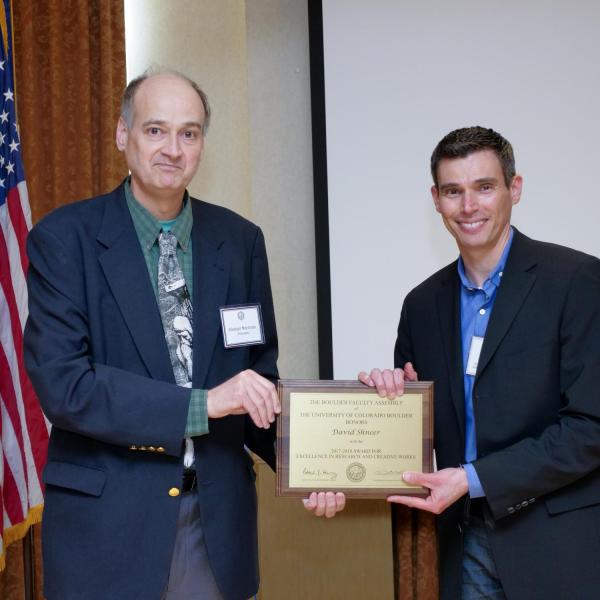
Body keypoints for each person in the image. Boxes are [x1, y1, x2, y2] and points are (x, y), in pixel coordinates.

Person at [24, 68, 343, 600]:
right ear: (122, 135)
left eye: (189, 133)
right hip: (107, 535)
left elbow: (256, 381)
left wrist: (309, 465)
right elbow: (66, 386)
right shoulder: (64, 240)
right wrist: (204, 403)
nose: (173, 148)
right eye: (156, 130)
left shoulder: (239, 241)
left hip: (216, 531)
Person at [360, 126, 600, 600]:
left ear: (515, 188)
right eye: (453, 191)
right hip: (461, 544)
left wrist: (475, 479)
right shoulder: (421, 304)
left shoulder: (577, 281)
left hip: (557, 547)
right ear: (436, 199)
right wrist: (389, 398)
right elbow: (412, 436)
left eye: (484, 187)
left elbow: (591, 428)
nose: (468, 206)